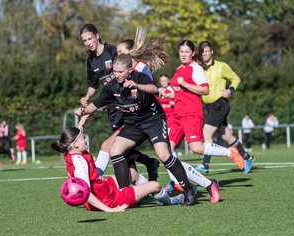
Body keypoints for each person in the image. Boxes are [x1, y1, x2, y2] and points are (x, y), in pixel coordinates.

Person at [75, 54, 222, 205]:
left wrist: (137, 86)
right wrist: (82, 111)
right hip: (133, 124)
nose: (116, 75)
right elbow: (95, 105)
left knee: (164, 155)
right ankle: (126, 194)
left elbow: (154, 89)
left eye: (120, 72)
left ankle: (189, 189)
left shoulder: (140, 77)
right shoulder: (111, 86)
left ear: (129, 70)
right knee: (114, 150)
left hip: (154, 120)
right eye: (114, 71)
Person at [79, 23, 158, 180]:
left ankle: (94, 181)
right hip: (113, 108)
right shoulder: (91, 61)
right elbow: (93, 85)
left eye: (90, 38)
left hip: (127, 106)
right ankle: (146, 169)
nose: (88, 42)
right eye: (84, 40)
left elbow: (132, 69)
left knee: (110, 146)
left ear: (97, 36)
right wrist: (87, 96)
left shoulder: (113, 51)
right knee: (123, 151)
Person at [51, 127, 186, 212]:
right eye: (82, 138)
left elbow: (74, 177)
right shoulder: (79, 161)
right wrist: (109, 209)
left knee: (132, 173)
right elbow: (85, 193)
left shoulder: (72, 154)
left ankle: (148, 194)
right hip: (108, 200)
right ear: (74, 144)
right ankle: (172, 200)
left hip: (104, 189)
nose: (85, 140)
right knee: (155, 185)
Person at [193, 40, 254, 174]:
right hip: (209, 107)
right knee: (227, 137)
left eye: (207, 51)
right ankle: (247, 157)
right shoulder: (199, 68)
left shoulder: (221, 66)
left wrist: (230, 91)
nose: (205, 54)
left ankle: (205, 165)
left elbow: (236, 79)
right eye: (202, 52)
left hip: (220, 104)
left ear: (212, 52)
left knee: (206, 133)